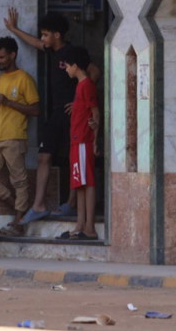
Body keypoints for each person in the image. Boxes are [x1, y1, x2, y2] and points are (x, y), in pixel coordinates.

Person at [5, 10, 78, 223]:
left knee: (73, 159)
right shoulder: (51, 51)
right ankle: (38, 205)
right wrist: (13, 29)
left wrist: (79, 102)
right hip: (55, 114)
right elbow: (35, 43)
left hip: (72, 114)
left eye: (46, 34)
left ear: (57, 35)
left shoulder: (72, 53)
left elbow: (93, 73)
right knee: (43, 156)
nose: (43, 38)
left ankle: (72, 203)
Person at [0, 37, 40, 237]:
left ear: (13, 55)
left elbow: (35, 109)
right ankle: (18, 206)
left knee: (19, 181)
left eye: (1, 57)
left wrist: (6, 101)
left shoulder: (24, 78)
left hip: (15, 138)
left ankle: (19, 221)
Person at [60, 46, 99, 240]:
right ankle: (81, 224)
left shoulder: (87, 85)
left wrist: (95, 139)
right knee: (80, 184)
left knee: (87, 183)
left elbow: (95, 112)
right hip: (77, 141)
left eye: (67, 65)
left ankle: (89, 227)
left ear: (75, 65)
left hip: (84, 141)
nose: (65, 68)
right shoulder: (80, 85)